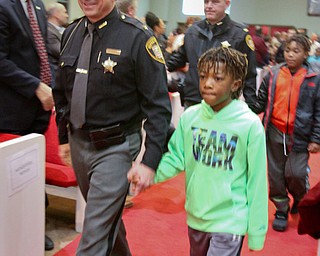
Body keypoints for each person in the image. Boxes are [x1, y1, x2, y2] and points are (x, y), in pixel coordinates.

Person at [52, 0, 171, 255]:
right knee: (107, 224)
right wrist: (63, 137)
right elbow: (61, 91)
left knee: (93, 236)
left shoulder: (138, 38)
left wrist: (149, 161)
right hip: (78, 144)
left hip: (115, 149)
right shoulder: (71, 33)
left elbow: (158, 107)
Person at [129, 47, 269, 255]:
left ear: (236, 84)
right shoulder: (190, 117)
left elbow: (256, 181)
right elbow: (177, 157)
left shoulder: (249, 125)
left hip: (230, 220)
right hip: (196, 216)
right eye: (203, 76)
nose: (208, 83)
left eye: (218, 78)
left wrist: (257, 231)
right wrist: (148, 175)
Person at [248, 34, 320, 232]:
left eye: (296, 51)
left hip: (300, 135)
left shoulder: (314, 77)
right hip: (274, 131)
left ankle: (299, 196)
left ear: (306, 53)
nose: (290, 55)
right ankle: (281, 209)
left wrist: (316, 138)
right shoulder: (274, 73)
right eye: (288, 50)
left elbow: (318, 111)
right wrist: (246, 109)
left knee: (295, 173)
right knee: (276, 174)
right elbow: (261, 100)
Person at [0, 0, 54, 251]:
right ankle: (14, 229)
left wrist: (53, 84)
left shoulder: (38, 6)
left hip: (38, 108)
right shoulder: (3, 6)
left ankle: (33, 225)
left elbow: (42, 54)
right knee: (13, 175)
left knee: (31, 170)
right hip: (12, 108)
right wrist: (35, 86)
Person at [166, 0, 257, 108]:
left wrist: (251, 105)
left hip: (223, 103)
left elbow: (249, 73)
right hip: (193, 100)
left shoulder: (239, 34)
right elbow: (180, 57)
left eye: (215, 2)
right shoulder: (193, 31)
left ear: (227, 3)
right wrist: (161, 67)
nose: (209, 6)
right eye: (206, 2)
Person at [46, 2, 69, 75]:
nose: (67, 16)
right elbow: (62, 52)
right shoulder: (48, 31)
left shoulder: (64, 29)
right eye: (65, 12)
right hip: (55, 73)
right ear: (56, 14)